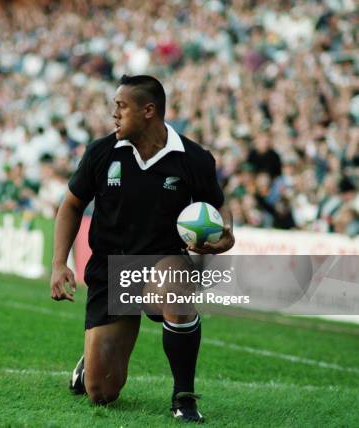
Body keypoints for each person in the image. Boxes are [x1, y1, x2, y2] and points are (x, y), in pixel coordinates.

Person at [50, 75, 235, 422]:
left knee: (176, 288)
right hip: (110, 270)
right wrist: (59, 263)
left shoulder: (193, 159)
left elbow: (218, 207)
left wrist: (226, 234)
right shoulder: (102, 153)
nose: (114, 114)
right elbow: (71, 205)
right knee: (101, 393)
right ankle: (90, 362)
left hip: (162, 262)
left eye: (121, 106)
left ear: (148, 111)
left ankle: (184, 398)